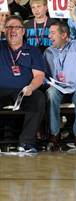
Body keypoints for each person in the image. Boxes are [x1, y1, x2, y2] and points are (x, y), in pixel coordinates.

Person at [44, 2, 76, 151]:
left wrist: (73, 16)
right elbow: (44, 74)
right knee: (50, 94)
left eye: (53, 33)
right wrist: (49, 83)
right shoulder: (48, 52)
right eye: (49, 32)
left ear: (64, 35)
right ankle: (54, 134)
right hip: (58, 88)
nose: (49, 36)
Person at [0, 15, 46, 153]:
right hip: (1, 91)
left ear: (23, 31)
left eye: (16, 27)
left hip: (23, 91)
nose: (12, 30)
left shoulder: (33, 51)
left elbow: (39, 76)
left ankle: (26, 143)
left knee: (39, 98)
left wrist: (31, 87)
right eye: (8, 27)